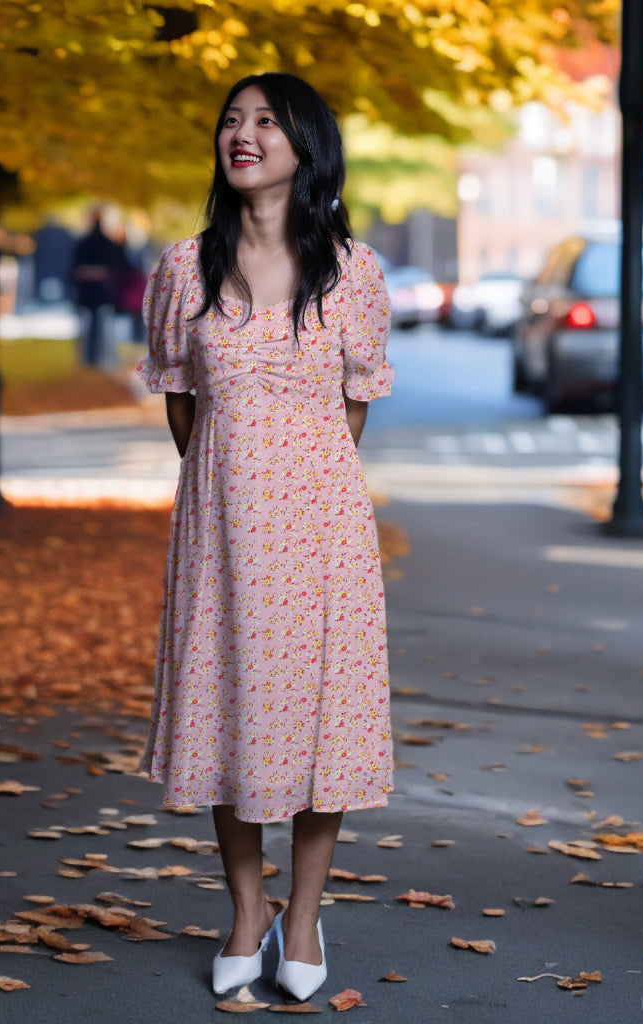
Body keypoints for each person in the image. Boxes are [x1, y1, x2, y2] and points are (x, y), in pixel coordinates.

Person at [139, 72, 394, 1003]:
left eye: (266, 122)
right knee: (226, 710)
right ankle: (246, 911)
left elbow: (354, 405)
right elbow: (181, 399)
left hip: (323, 529)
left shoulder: (354, 271)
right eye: (231, 120)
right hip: (217, 524)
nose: (242, 134)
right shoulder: (183, 267)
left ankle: (306, 909)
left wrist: (296, 480)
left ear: (306, 146)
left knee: (318, 717)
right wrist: (229, 477)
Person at [71, 208, 126, 365]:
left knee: (91, 326)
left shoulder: (83, 243)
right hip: (100, 292)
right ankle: (96, 358)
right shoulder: (107, 244)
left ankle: (91, 358)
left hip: (89, 291)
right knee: (99, 326)